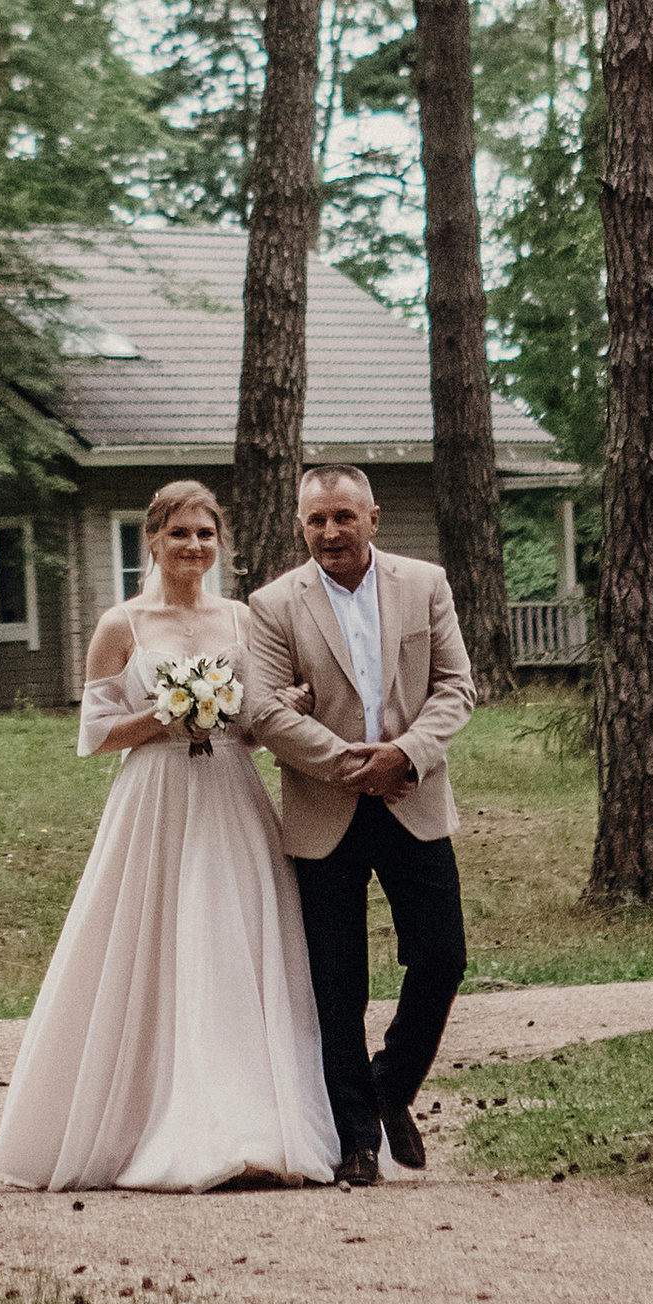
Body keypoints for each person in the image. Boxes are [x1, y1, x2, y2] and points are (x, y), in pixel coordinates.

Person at [0, 480, 341, 1192]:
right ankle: (146, 1121)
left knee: (232, 939)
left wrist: (266, 709)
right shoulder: (123, 624)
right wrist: (171, 714)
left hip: (230, 796)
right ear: (152, 540)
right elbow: (93, 735)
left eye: (206, 534)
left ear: (220, 543)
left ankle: (254, 1125)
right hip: (154, 797)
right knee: (155, 943)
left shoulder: (242, 618)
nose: (193, 547)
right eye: (179, 533)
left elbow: (255, 720)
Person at [243, 463, 474, 1190]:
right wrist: (351, 763)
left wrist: (404, 754)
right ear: (300, 525)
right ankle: (355, 1139)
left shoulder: (425, 583)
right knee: (337, 985)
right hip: (325, 811)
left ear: (373, 518)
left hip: (412, 796)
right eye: (317, 520)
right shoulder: (275, 604)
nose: (331, 532)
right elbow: (264, 712)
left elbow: (455, 687)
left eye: (344, 517)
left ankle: (390, 1085)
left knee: (442, 958)